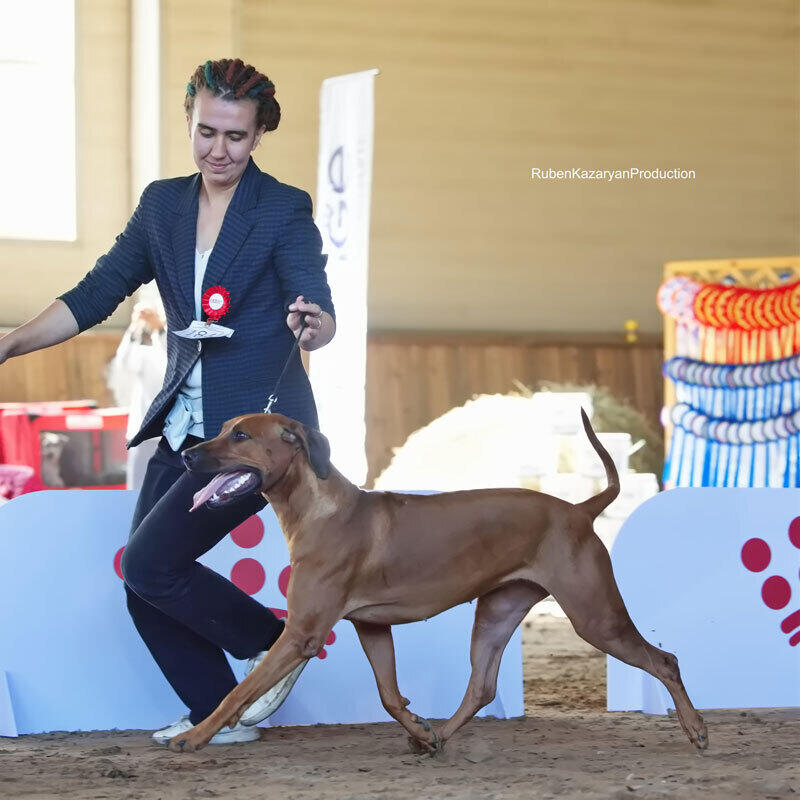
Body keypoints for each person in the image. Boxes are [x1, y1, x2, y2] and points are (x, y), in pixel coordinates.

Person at [0, 58, 336, 746]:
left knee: (153, 564)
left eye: (236, 137)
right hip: (184, 428)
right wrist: (11, 343)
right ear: (188, 121)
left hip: (255, 439)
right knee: (143, 577)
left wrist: (317, 323)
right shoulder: (162, 206)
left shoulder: (281, 207)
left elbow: (315, 296)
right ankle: (224, 709)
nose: (219, 150)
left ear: (259, 134)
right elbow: (96, 294)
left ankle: (277, 643)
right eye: (207, 131)